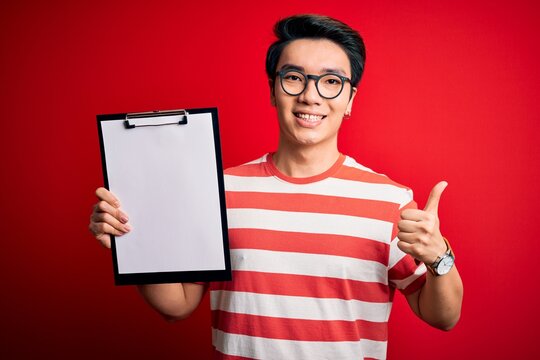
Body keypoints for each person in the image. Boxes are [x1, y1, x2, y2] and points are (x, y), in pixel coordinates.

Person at [89, 14, 463, 359]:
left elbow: (443, 317)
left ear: (350, 100)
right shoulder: (220, 191)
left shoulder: (389, 201)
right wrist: (131, 242)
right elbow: (177, 305)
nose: (310, 96)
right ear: (273, 90)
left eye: (331, 82)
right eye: (294, 77)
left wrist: (438, 257)